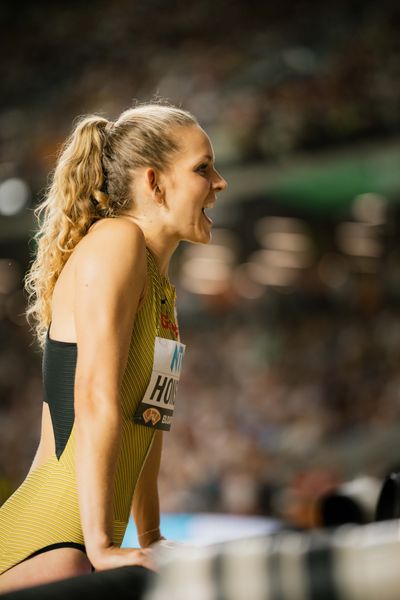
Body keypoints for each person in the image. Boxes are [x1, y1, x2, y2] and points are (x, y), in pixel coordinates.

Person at [0, 100, 228, 592]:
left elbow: (148, 421)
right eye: (203, 169)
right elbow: (95, 397)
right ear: (153, 182)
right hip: (53, 543)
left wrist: (152, 536)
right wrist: (100, 545)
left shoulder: (159, 284)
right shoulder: (116, 241)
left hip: (79, 543)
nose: (220, 182)